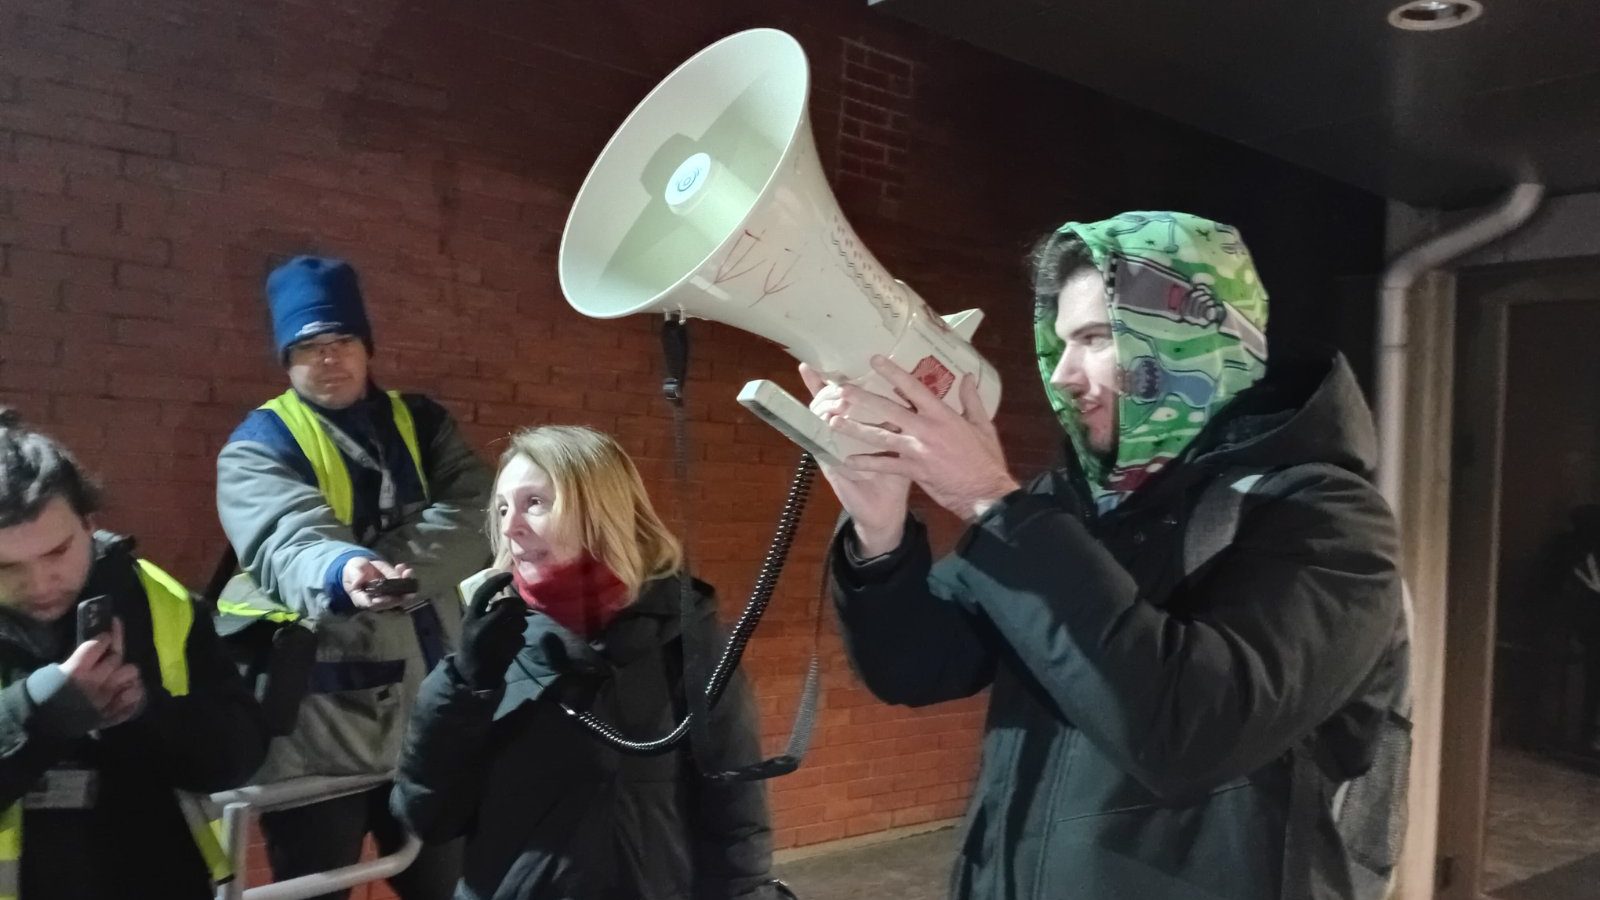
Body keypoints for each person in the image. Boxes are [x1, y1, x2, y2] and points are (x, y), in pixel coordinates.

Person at [804, 211, 1411, 900]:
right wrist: (879, 527)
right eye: (1062, 342)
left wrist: (989, 500)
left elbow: (1188, 732)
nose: (1063, 374)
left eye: (1095, 338)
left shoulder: (1325, 518)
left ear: (1185, 335)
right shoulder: (1067, 504)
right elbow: (920, 667)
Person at [390, 425, 783, 900]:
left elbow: (736, 810)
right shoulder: (493, 642)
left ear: (600, 510)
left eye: (535, 502)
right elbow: (428, 816)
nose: (511, 527)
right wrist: (462, 684)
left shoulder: (686, 638)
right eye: (503, 508)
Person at [215, 255, 492, 899]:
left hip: (428, 722)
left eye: (341, 339)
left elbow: (479, 511)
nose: (327, 358)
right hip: (320, 734)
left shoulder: (423, 424)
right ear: (286, 361)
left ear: (367, 346)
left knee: (447, 888)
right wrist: (344, 571)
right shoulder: (257, 445)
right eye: (306, 346)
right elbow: (286, 537)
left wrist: (397, 571)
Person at [0, 409, 266, 899]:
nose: (39, 584)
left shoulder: (158, 599)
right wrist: (36, 710)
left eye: (57, 552)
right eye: (5, 567)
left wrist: (146, 710)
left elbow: (237, 756)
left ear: (89, 523)